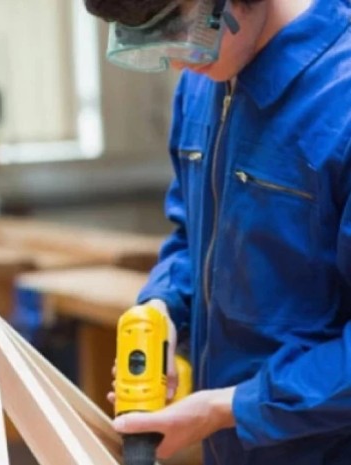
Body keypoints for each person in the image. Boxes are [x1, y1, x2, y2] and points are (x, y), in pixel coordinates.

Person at [83, 0, 351, 463]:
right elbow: (194, 236)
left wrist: (229, 408)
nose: (180, 62)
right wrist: (165, 306)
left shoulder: (340, 99)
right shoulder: (202, 83)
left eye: (184, 30)